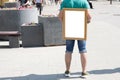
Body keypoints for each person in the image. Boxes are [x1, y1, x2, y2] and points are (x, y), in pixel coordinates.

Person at [58, 0, 91, 78]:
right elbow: (89, 17)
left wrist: (65, 23)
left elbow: (60, 16)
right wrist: (87, 22)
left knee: (68, 50)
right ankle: (83, 72)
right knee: (83, 50)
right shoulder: (84, 2)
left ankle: (67, 71)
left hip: (69, 29)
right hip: (81, 29)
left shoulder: (65, 2)